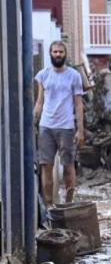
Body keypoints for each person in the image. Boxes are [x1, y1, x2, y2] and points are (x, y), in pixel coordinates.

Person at [33, 40, 85, 207]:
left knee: (68, 166)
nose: (58, 55)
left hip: (66, 127)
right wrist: (34, 120)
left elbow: (78, 104)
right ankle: (49, 206)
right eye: (55, 52)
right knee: (46, 166)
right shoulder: (43, 75)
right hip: (46, 126)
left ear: (65, 54)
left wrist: (80, 130)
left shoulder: (74, 76)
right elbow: (40, 101)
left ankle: (68, 205)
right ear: (50, 53)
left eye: (60, 52)